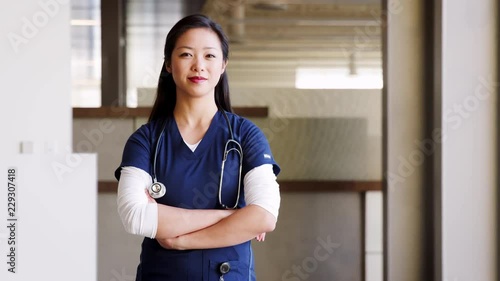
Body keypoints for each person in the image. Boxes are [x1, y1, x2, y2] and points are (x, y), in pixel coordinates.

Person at [114, 14, 281, 281]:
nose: (198, 66)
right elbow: (135, 216)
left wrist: (181, 240)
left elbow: (264, 217)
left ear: (224, 64)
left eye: (210, 56)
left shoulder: (245, 135)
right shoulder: (145, 140)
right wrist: (232, 216)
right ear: (168, 64)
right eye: (186, 55)